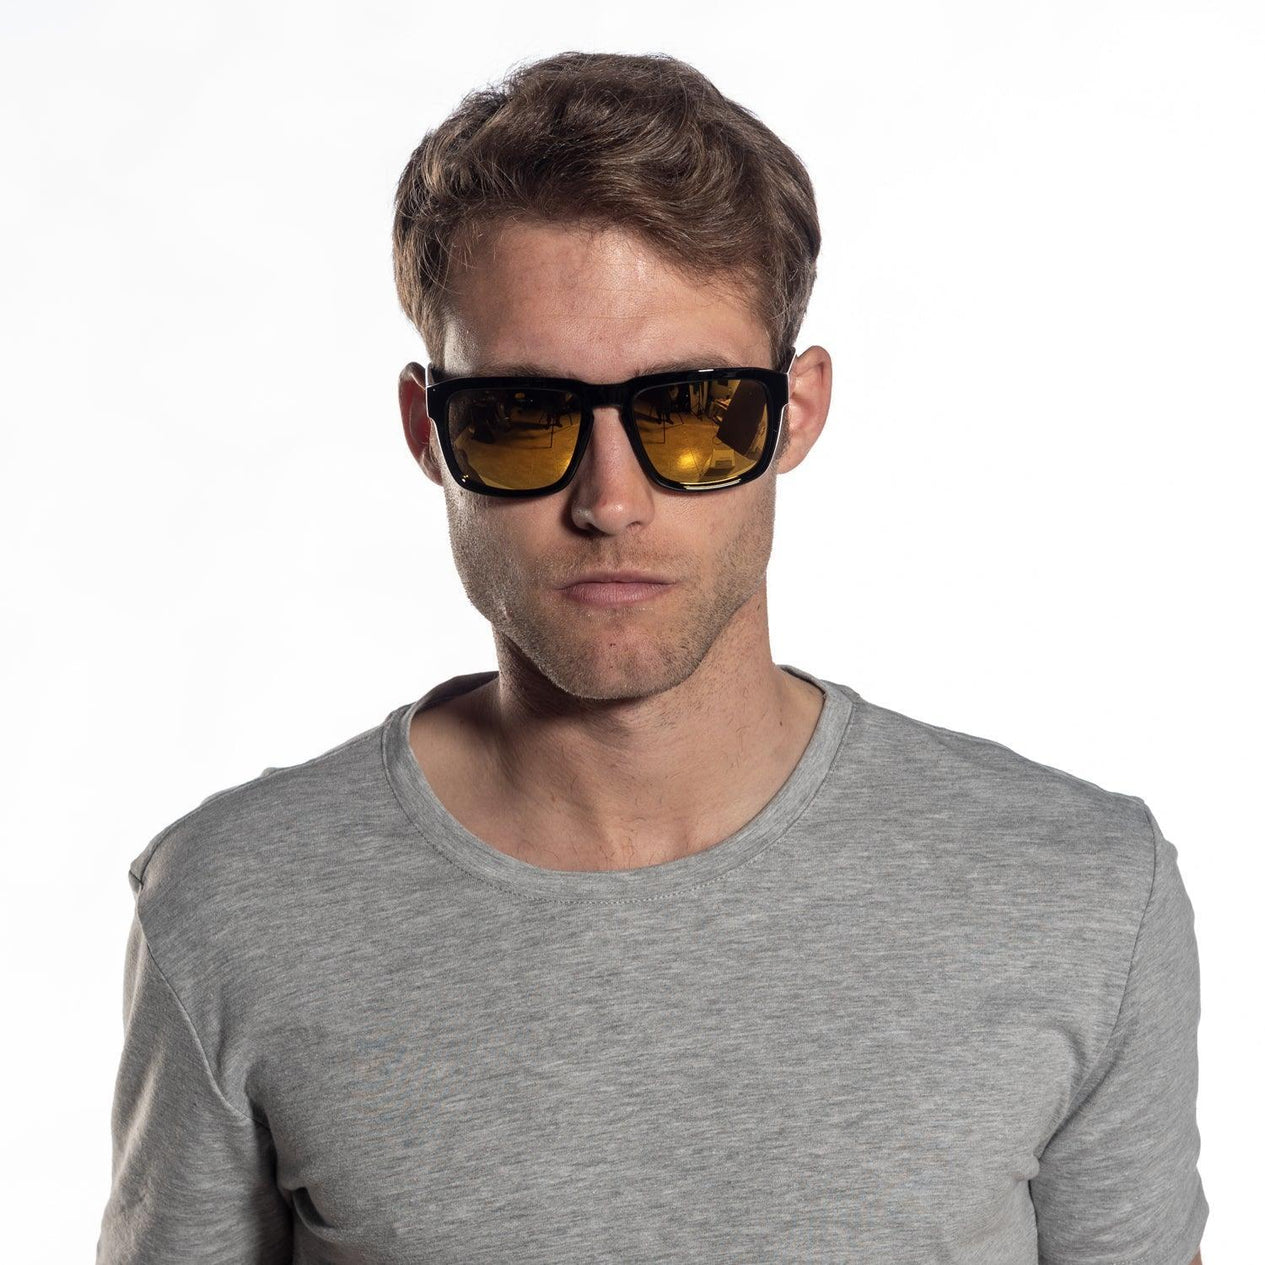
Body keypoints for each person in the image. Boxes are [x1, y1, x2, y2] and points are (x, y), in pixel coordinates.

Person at [96, 51, 1208, 1264]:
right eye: (522, 416)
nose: (609, 500)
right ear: (429, 430)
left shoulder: (1079, 896)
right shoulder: (234, 905)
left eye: (691, 411)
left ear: (794, 412)